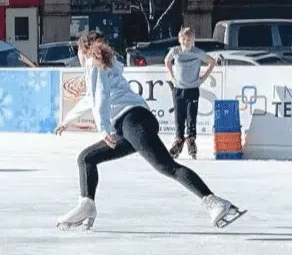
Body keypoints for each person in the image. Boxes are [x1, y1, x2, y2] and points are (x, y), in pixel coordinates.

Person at [55, 31, 241, 231]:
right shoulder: (105, 64)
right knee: (87, 158)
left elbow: (100, 96)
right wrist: (67, 121)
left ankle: (216, 203)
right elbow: (90, 98)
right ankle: (87, 206)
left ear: (83, 49)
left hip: (132, 121)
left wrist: (103, 129)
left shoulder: (93, 62)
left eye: (77, 51)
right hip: (132, 124)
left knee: (167, 167)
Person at [164, 27, 216, 160]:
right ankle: (178, 140)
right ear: (179, 39)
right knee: (179, 116)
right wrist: (171, 75)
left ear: (193, 40)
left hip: (192, 89)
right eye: (184, 39)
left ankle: (191, 140)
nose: (186, 42)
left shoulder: (197, 52)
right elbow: (167, 60)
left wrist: (203, 78)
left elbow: (212, 61)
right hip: (178, 89)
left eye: (189, 40)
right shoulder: (175, 51)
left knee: (191, 115)